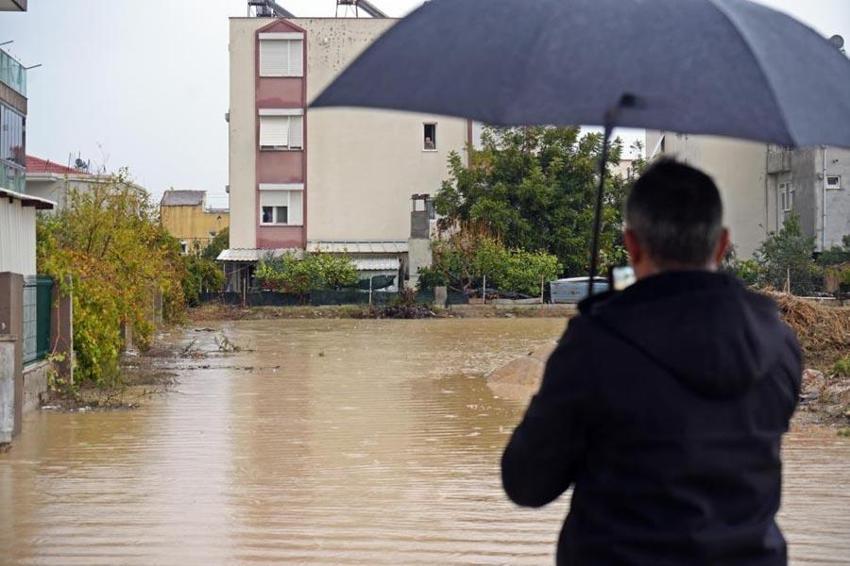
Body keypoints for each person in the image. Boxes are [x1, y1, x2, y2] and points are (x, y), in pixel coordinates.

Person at [501, 159, 801, 565]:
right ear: (722, 244)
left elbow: (526, 483)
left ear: (632, 245)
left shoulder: (597, 343)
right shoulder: (779, 342)